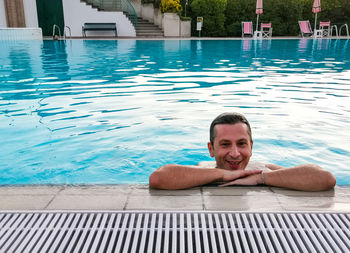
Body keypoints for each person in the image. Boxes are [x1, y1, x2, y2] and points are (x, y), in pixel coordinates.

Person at [149, 112, 336, 191]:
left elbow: (325, 178)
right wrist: (222, 175)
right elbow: (158, 178)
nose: (235, 153)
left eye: (241, 143)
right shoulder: (203, 169)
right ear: (211, 149)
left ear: (251, 147)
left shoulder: (261, 169)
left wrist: (260, 178)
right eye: (225, 144)